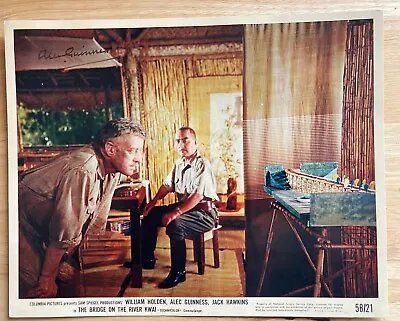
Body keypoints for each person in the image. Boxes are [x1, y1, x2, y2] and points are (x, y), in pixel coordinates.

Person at [18, 118, 146, 298]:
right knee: (38, 289)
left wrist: (67, 260)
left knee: (68, 279)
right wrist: (48, 276)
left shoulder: (113, 172)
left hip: (42, 232)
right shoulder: (83, 168)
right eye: (133, 151)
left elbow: (92, 222)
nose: (138, 159)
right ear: (110, 149)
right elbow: (65, 228)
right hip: (18, 225)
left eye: (140, 151)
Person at [142, 126, 219, 288]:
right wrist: (153, 202)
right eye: (178, 141)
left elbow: (197, 196)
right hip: (185, 208)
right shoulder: (178, 163)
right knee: (151, 215)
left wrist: (174, 213)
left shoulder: (202, 164)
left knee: (175, 224)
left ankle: (179, 272)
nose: (181, 144)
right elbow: (166, 185)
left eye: (185, 140)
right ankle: (147, 259)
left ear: (195, 142)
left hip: (204, 214)